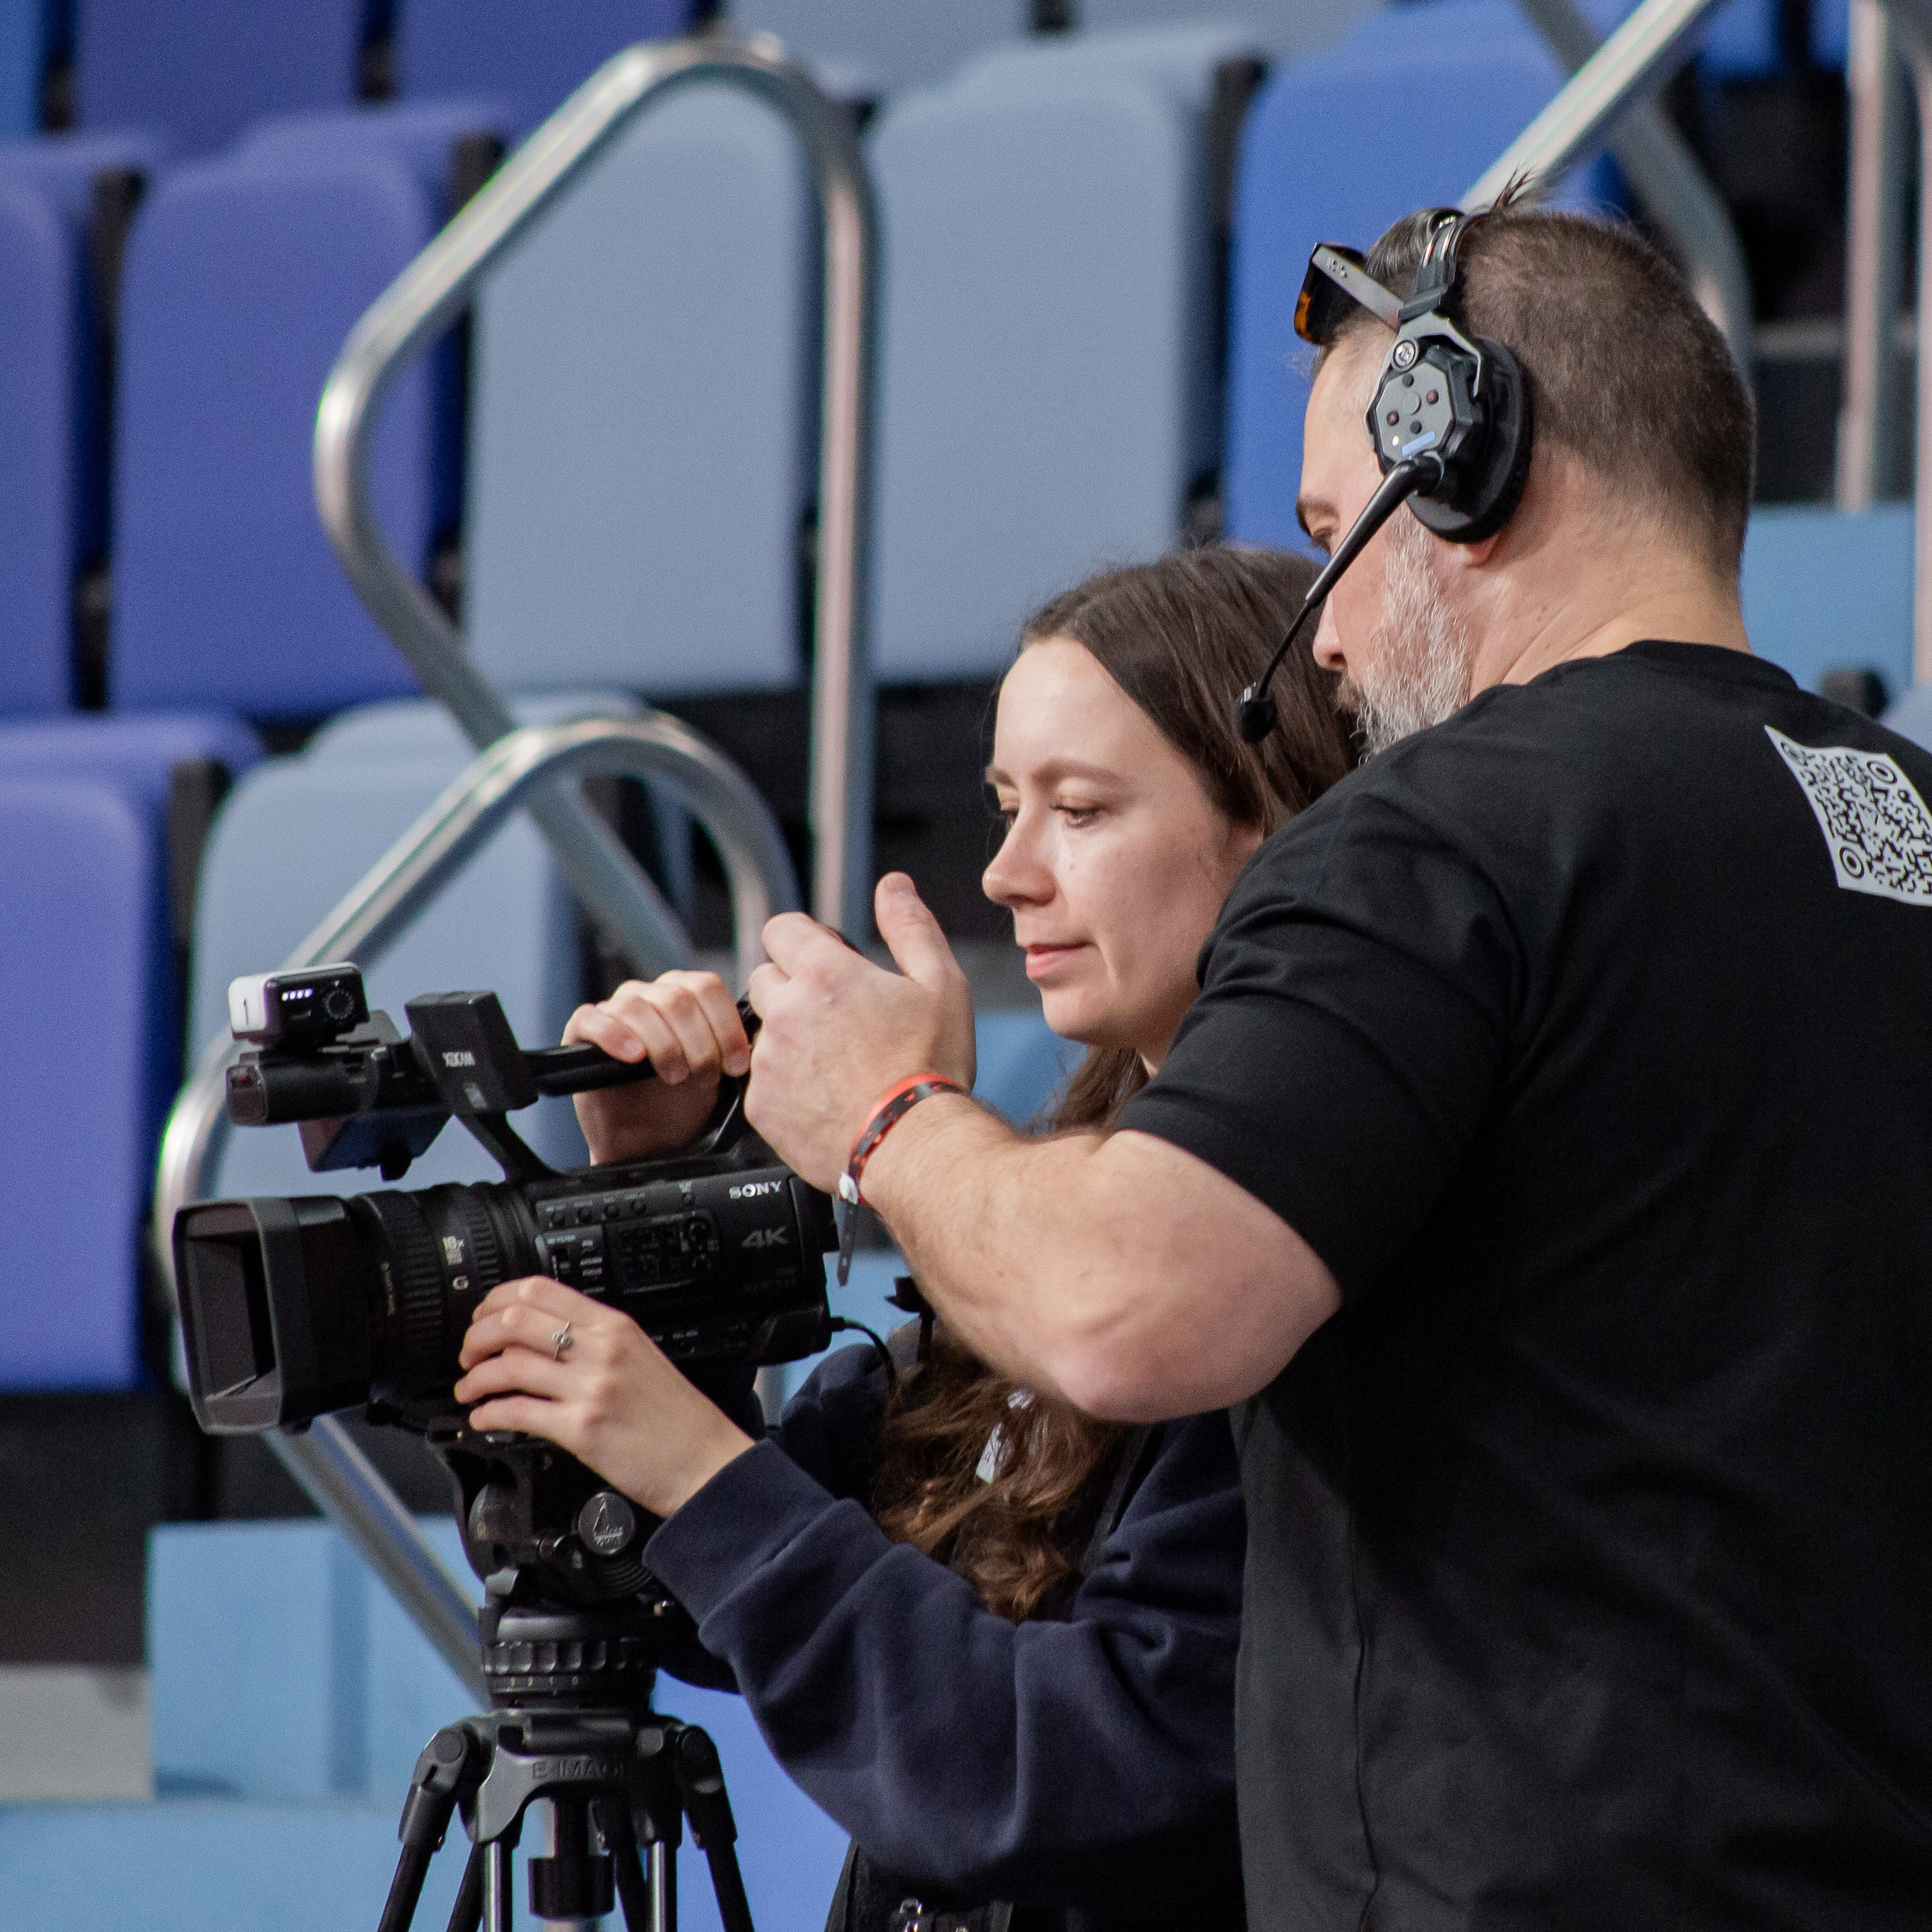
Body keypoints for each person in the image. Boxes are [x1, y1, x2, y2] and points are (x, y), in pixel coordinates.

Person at [694, 200, 1932, 1928]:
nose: (1326, 645)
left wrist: (885, 1114)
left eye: (1336, 535)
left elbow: (1126, 1311)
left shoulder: (1435, 833)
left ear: (1466, 467)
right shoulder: (1901, 821)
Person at [454, 547, 1355, 1932]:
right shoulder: (1052, 1191)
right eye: (1004, 806)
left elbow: (1064, 1776)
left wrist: (705, 1470)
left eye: (1080, 811)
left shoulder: (1281, 1260)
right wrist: (655, 1200)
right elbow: (697, 1595)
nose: (1007, 874)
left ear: (1275, 823)